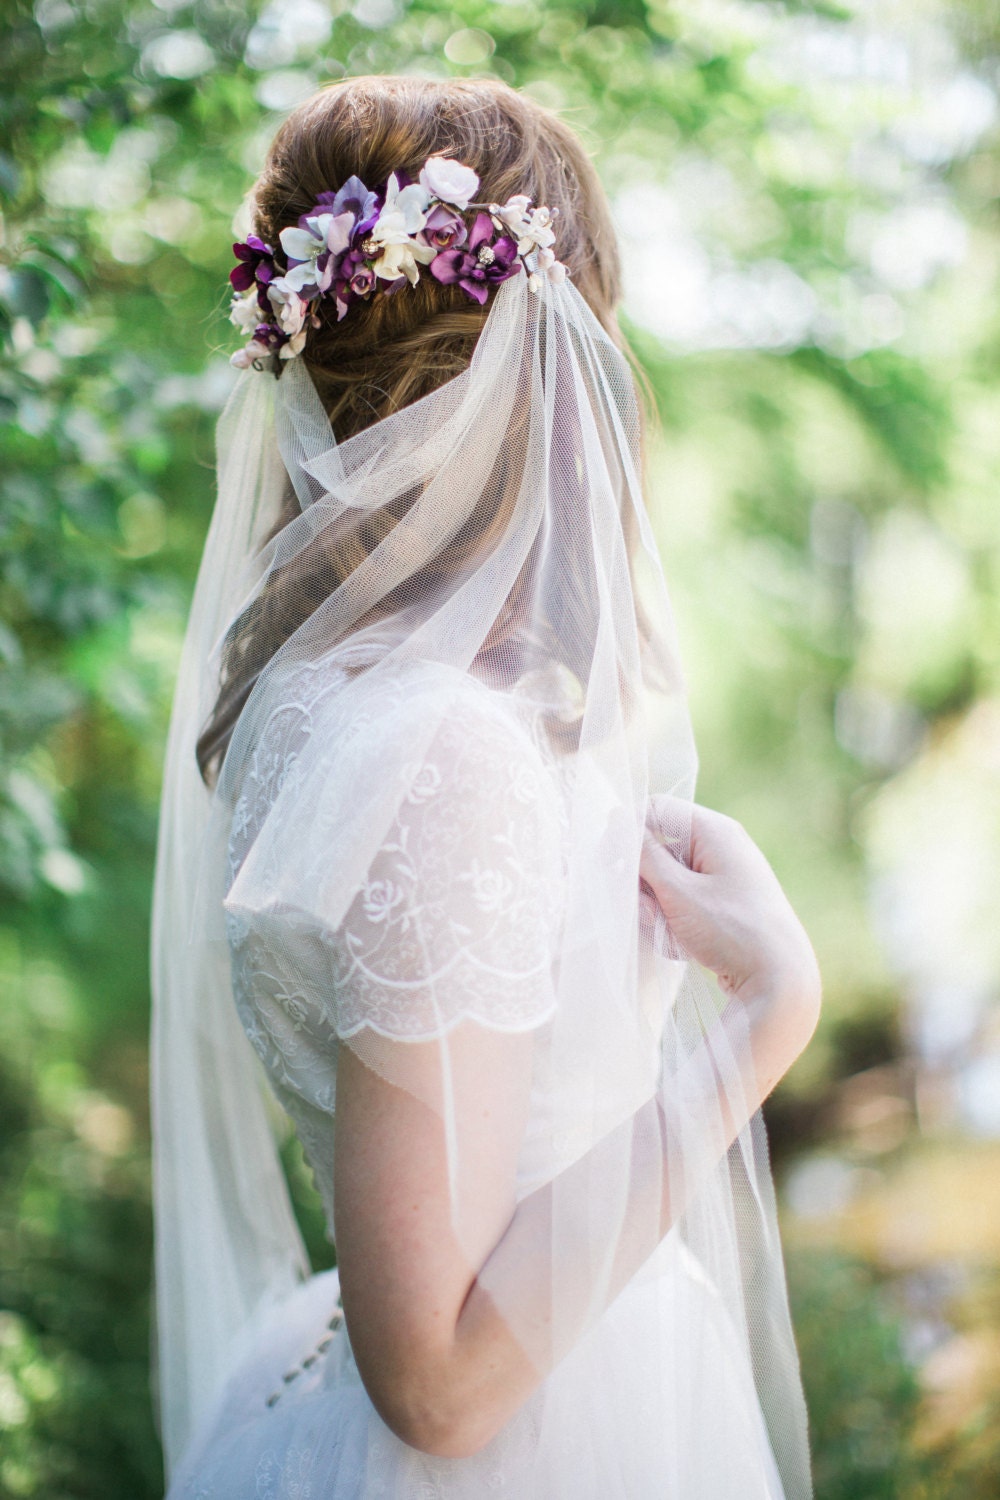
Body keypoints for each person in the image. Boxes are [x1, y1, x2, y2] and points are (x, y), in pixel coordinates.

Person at [150, 74, 821, 1500]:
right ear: (543, 362)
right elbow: (440, 1385)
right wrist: (763, 1023)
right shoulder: (437, 753)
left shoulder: (319, 695)